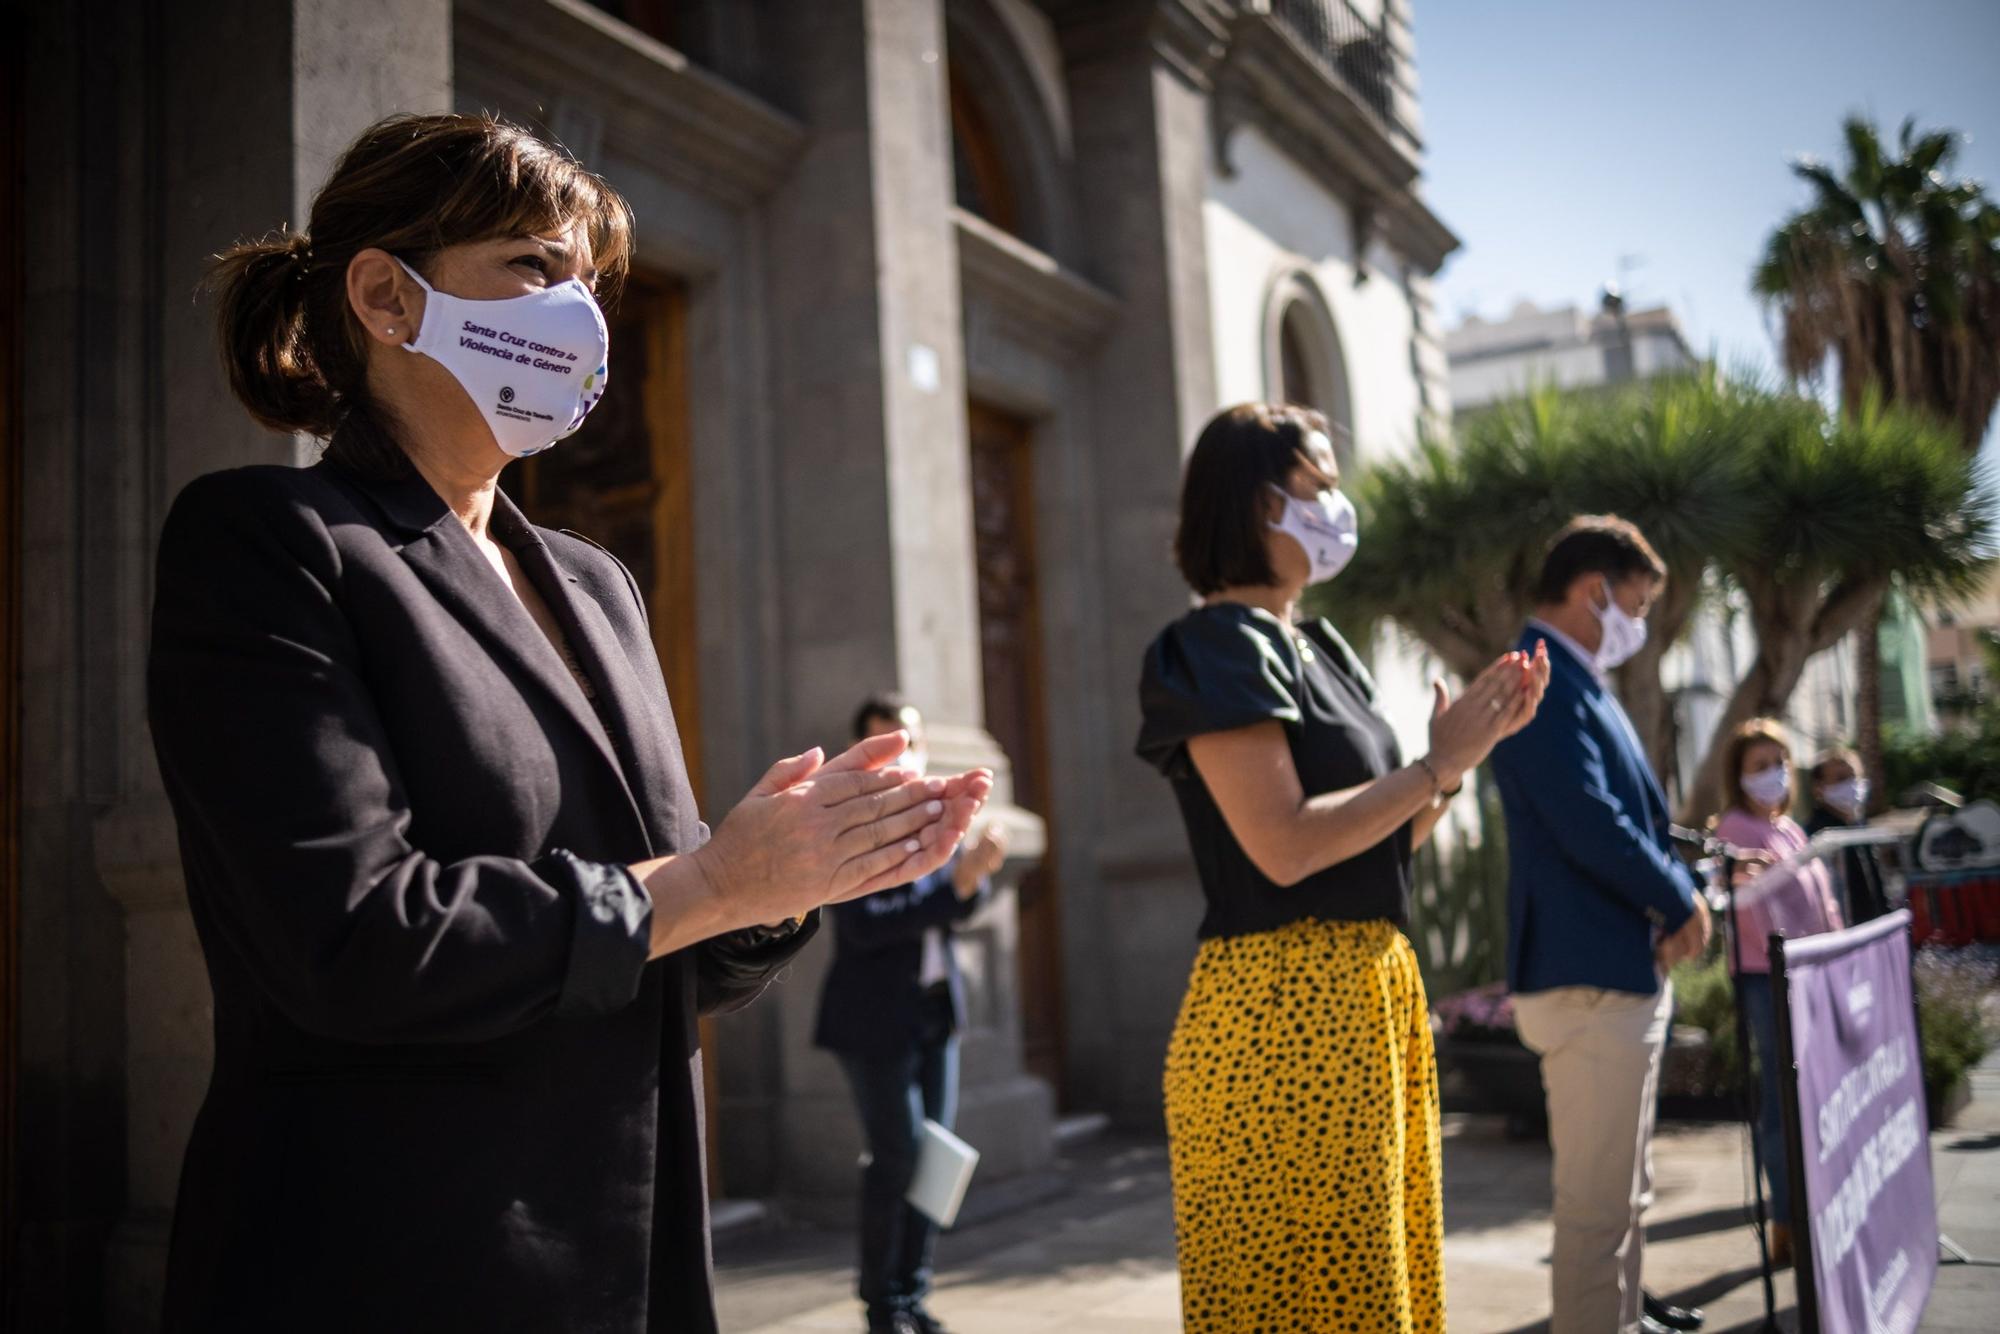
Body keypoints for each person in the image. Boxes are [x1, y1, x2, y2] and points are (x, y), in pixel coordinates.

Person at [146, 113, 993, 1334]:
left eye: (590, 283)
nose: (579, 315)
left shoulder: (595, 584)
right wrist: (707, 878)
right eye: (537, 269)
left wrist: (794, 873)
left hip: (632, 1262)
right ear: (387, 297)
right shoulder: (270, 545)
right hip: (397, 1261)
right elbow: (353, 941)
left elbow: (659, 942)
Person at [1135, 403, 1549, 1333]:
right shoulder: (1212, 648)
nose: (1336, 503)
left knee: (1372, 1291)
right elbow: (1284, 847)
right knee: (1314, 1299)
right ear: (1252, 505)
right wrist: (1434, 766)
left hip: (1365, 1001)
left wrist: (1456, 767)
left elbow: (1381, 842)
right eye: (1317, 485)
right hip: (1282, 1016)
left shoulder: (1318, 647)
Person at [1488, 515, 1711, 1334]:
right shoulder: (1538, 677)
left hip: (1610, 970)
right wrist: (1680, 896)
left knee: (1618, 1199)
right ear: (1595, 592)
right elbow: (1589, 818)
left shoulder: (1575, 677)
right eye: (1638, 604)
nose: (1640, 624)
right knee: (1594, 1214)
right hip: (1587, 977)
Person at [814, 694, 1009, 1334]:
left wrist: (973, 878)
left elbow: (947, 913)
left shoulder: (936, 817)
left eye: (913, 740)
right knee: (896, 1157)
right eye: (891, 742)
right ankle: (881, 1305)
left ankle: (913, 1295)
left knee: (932, 1164)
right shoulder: (846, 825)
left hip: (933, 1014)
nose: (908, 753)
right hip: (873, 1022)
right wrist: (952, 888)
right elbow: (869, 926)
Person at [1715, 718, 1845, 1267]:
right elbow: (1732, 896)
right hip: (1767, 979)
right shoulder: (1734, 829)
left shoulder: (1790, 828)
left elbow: (1822, 901)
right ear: (1738, 776)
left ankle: (1823, 1205)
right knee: (1780, 1103)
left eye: (1778, 762)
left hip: (1815, 973)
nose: (1773, 774)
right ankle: (1787, 1220)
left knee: (1819, 1095)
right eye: (1759, 766)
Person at [1804, 745, 1890, 923]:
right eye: (1841, 779)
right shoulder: (1817, 833)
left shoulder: (1860, 825)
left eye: (1854, 777)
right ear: (1819, 789)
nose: (1851, 784)